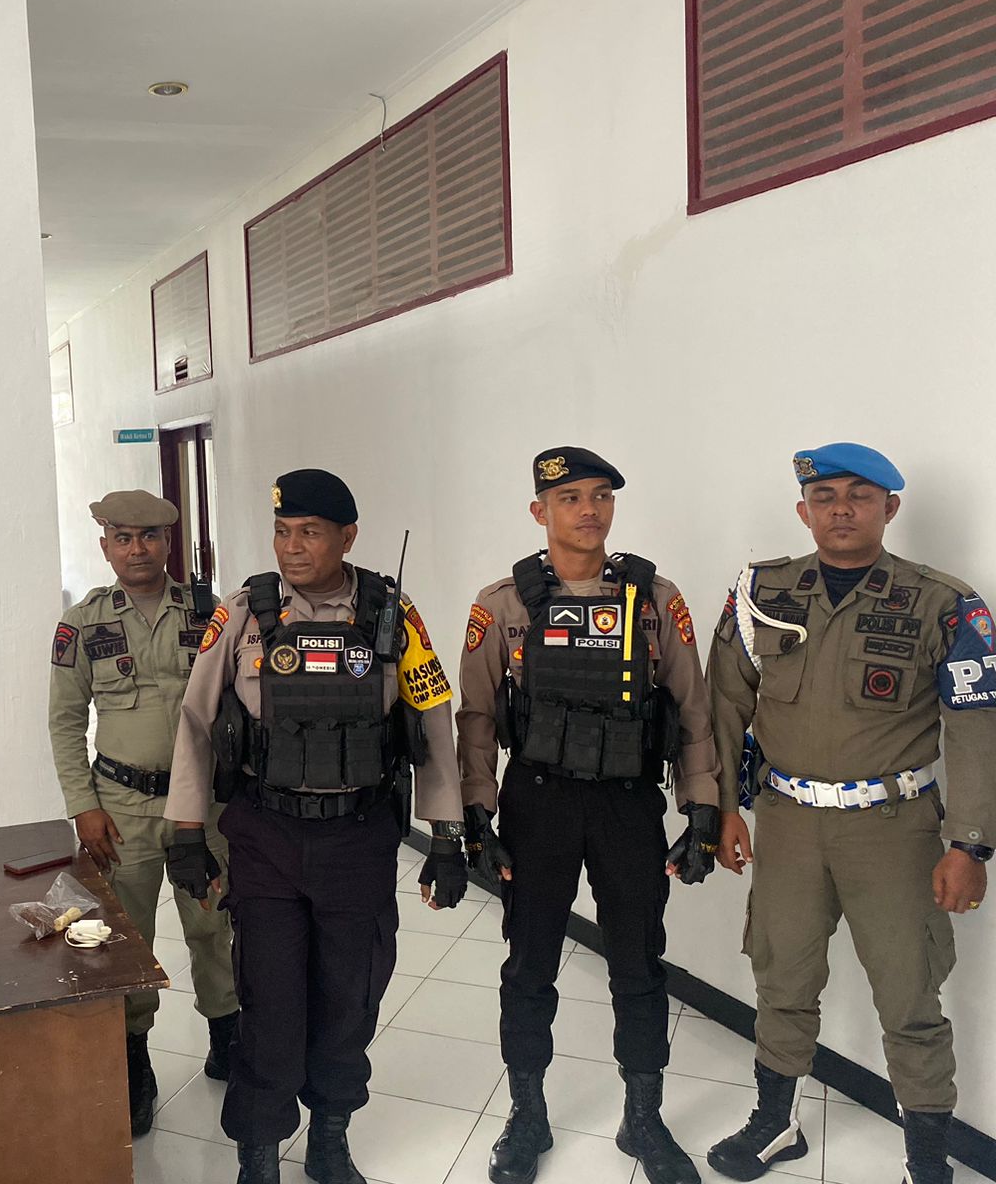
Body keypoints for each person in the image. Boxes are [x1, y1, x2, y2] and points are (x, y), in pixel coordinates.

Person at [163, 468, 469, 1184]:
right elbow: (196, 722)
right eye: (282, 531)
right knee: (269, 1004)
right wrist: (185, 832)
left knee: (349, 1000)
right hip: (266, 837)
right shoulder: (245, 612)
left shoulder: (392, 613)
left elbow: (432, 719)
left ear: (347, 537)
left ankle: (330, 1139)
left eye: (310, 532)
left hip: (358, 841)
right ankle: (259, 1154)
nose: (292, 547)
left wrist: (447, 836)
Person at [705, 443, 991, 1184]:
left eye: (859, 495)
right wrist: (722, 808)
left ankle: (926, 1159)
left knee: (909, 994)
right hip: (788, 824)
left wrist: (970, 843)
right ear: (803, 510)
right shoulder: (760, 592)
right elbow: (724, 703)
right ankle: (776, 1124)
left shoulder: (942, 602)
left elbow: (974, 727)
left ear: (889, 507)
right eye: (824, 496)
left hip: (893, 831)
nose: (840, 509)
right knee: (781, 978)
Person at [453, 448, 721, 1184]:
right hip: (537, 802)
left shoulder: (654, 597)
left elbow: (692, 710)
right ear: (539, 511)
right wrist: (476, 815)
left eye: (601, 495)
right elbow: (476, 720)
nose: (589, 510)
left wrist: (701, 807)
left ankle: (644, 1118)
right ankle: (527, 1115)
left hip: (627, 804)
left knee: (639, 963)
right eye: (570, 497)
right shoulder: (502, 603)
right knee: (529, 964)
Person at [48, 488, 239, 1137]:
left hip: (201, 804)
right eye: (124, 538)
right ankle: (134, 1059)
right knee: (125, 939)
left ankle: (227, 1035)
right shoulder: (83, 624)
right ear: (105, 546)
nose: (137, 549)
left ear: (168, 543)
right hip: (120, 807)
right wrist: (83, 806)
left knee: (212, 923)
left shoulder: (211, 613)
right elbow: (65, 720)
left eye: (149, 537)